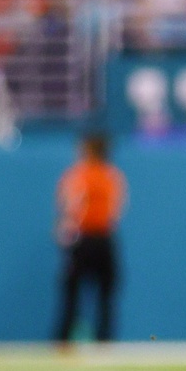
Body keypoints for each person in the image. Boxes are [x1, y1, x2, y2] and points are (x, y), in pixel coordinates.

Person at [55, 132, 127, 343]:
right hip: (104, 239)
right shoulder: (112, 176)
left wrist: (66, 229)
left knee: (73, 295)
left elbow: (69, 206)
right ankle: (104, 340)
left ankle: (65, 340)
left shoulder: (78, 175)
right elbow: (117, 209)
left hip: (83, 240)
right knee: (104, 296)